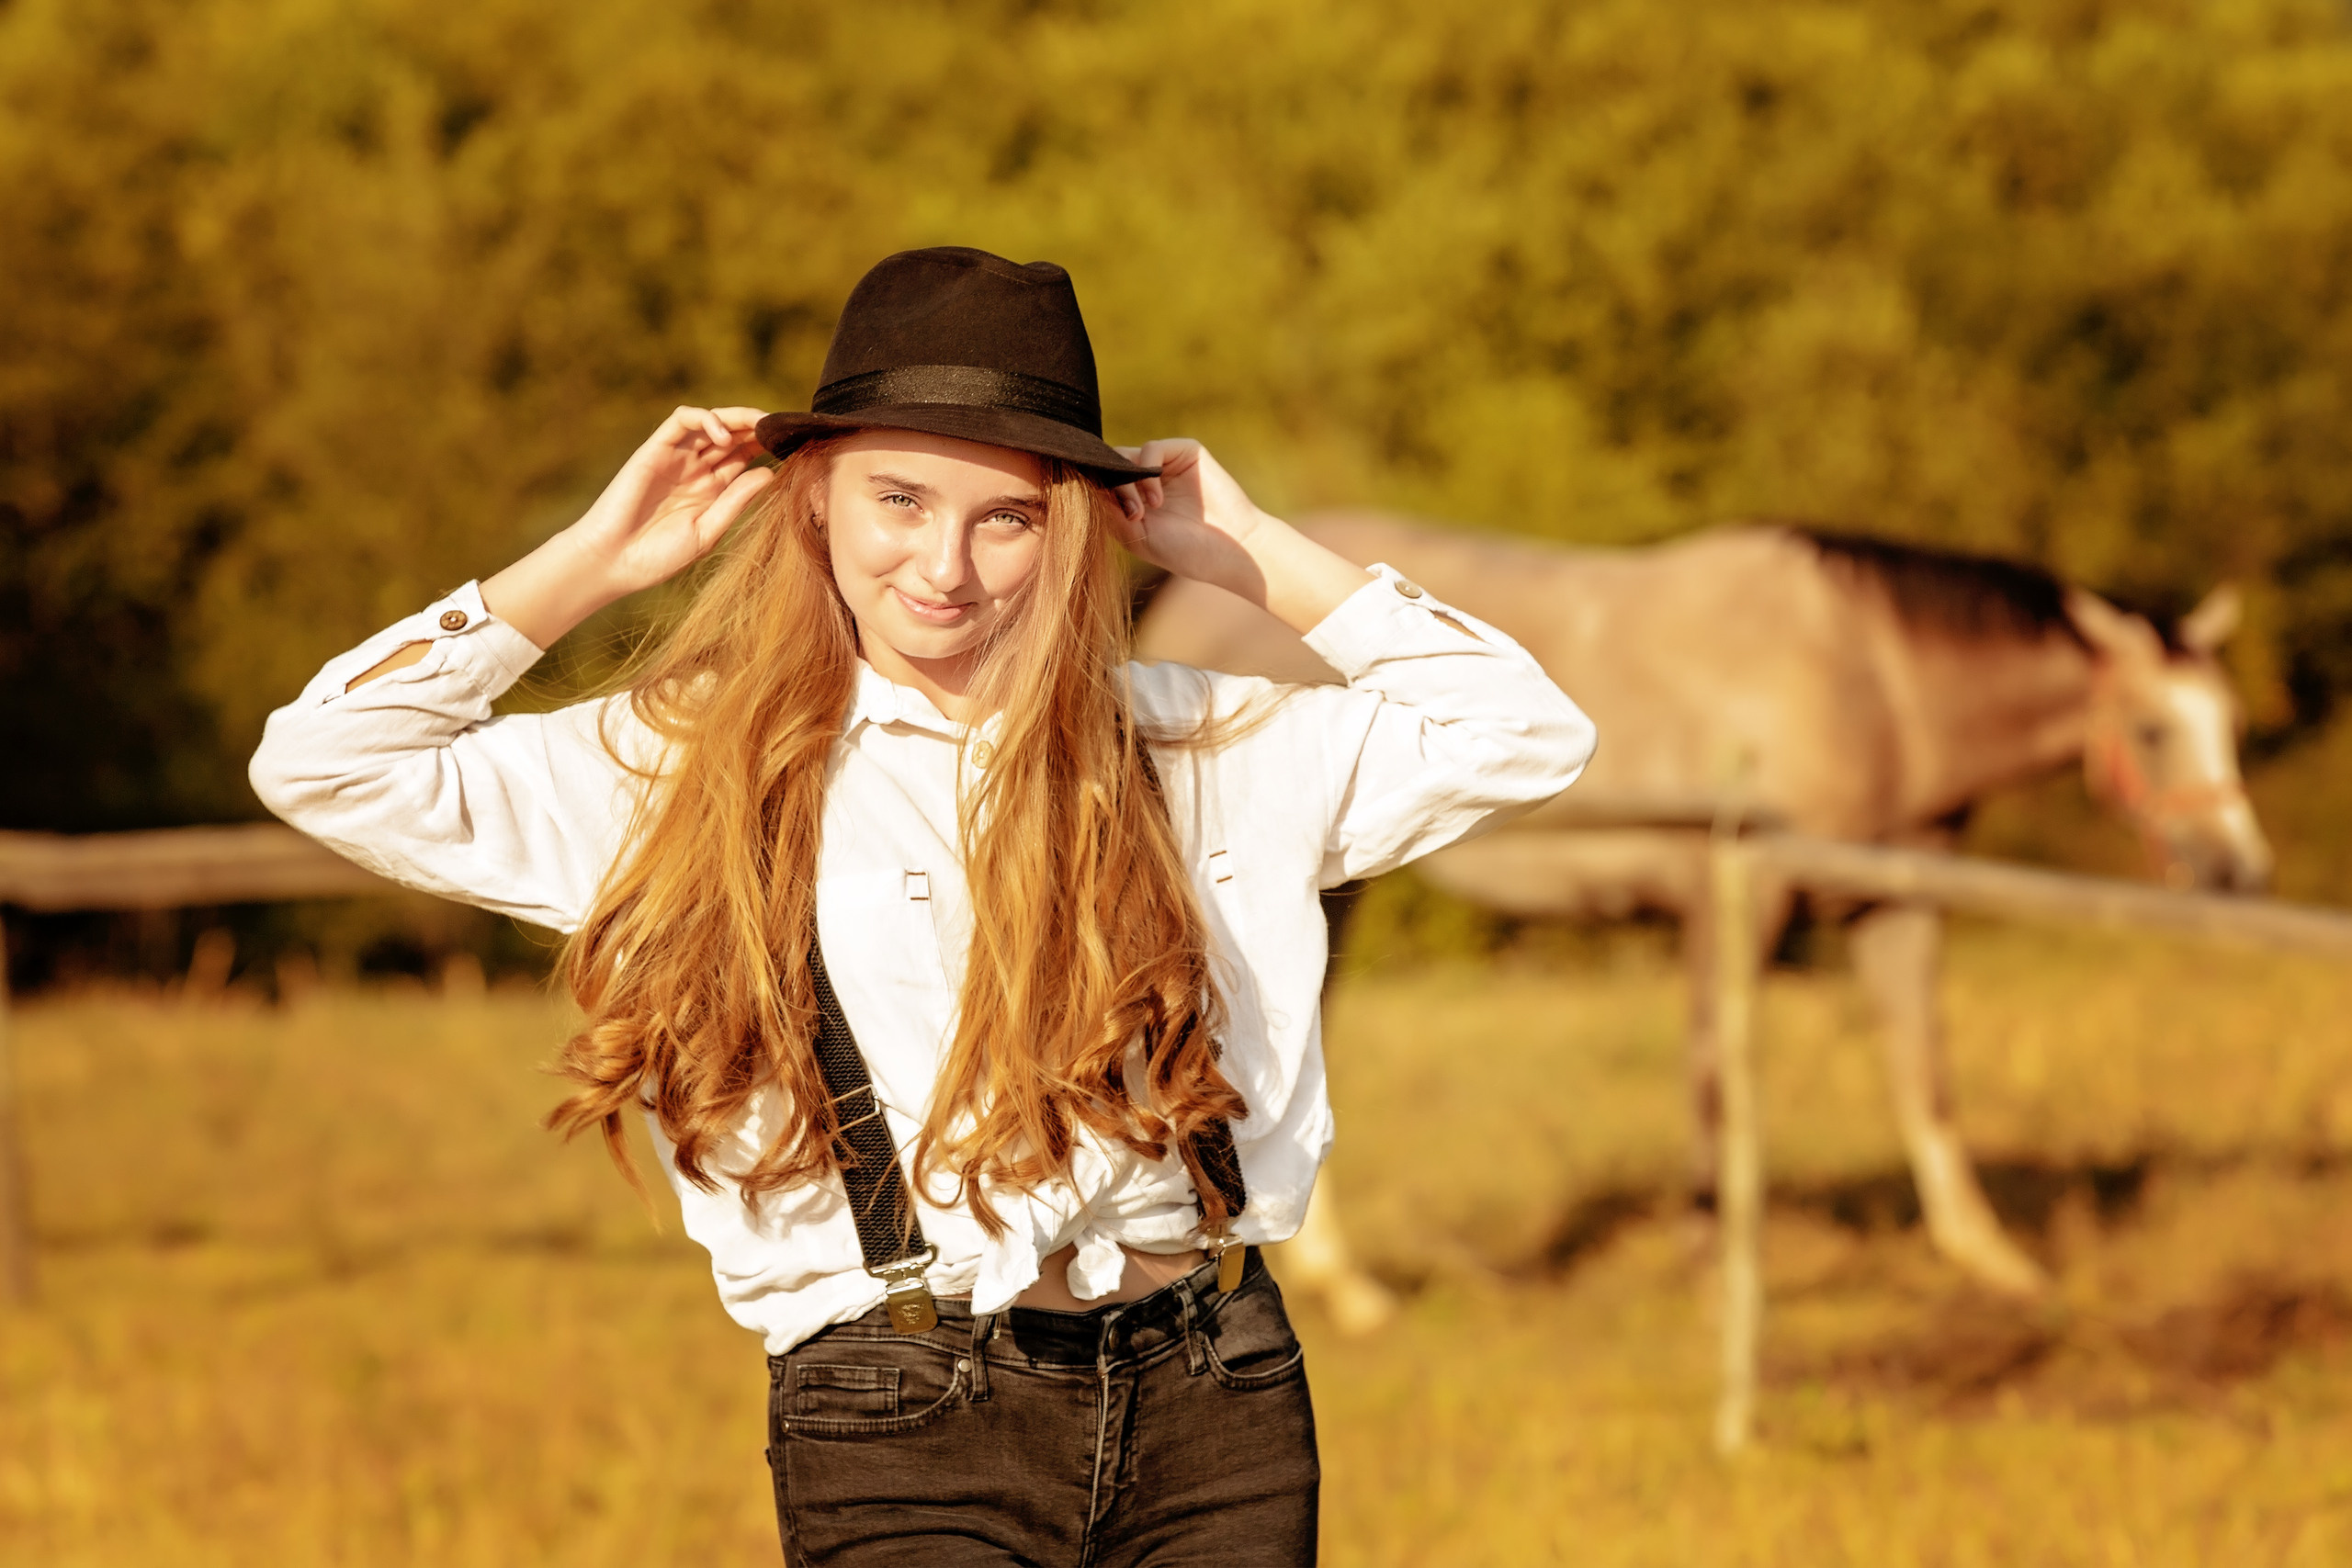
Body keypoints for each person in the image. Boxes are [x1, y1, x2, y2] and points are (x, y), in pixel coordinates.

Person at [250, 245, 1596, 1565]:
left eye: (1004, 515)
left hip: (1218, 1401)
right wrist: (593, 562)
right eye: (900, 499)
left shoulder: (1201, 745)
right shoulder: (687, 765)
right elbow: (325, 764)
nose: (944, 566)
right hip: (900, 1421)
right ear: (817, 500)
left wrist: (1249, 551)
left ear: (1069, 525)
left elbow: (1525, 731)